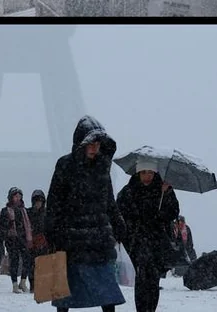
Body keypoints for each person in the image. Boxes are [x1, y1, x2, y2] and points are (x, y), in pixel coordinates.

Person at [44, 115, 127, 312]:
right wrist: (52, 232)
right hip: (72, 241)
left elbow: (109, 201)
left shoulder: (102, 168)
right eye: (90, 143)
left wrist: (118, 224)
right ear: (80, 143)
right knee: (65, 295)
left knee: (108, 296)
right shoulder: (65, 165)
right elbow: (54, 202)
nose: (94, 147)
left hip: (98, 242)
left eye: (97, 143)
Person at [116, 162, 179, 312]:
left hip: (157, 239)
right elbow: (119, 213)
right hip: (136, 240)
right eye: (144, 172)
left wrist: (167, 195)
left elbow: (173, 212)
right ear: (138, 173)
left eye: (150, 172)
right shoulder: (128, 191)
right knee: (142, 276)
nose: (147, 176)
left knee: (153, 279)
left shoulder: (163, 189)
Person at [0, 187, 34, 293]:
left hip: (23, 239)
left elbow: (28, 225)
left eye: (19, 196)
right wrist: (8, 224)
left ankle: (23, 282)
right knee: (14, 261)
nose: (18, 198)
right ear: (11, 197)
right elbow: (2, 226)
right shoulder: (5, 210)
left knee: (27, 260)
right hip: (11, 239)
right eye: (15, 196)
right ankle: (14, 284)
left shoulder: (24, 210)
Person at [26, 189, 51, 293]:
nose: (38, 204)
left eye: (40, 201)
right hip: (32, 242)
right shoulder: (29, 213)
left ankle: (44, 285)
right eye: (36, 201)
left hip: (44, 242)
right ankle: (33, 285)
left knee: (44, 265)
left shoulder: (46, 213)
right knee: (32, 265)